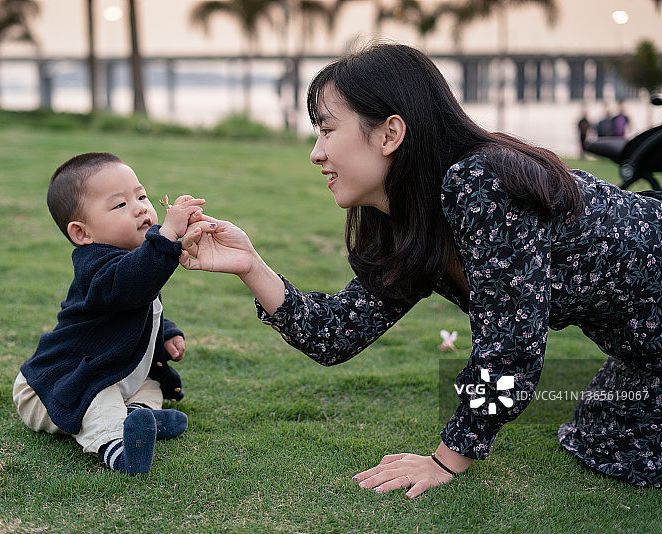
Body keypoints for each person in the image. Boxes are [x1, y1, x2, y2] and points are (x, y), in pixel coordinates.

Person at [179, 43, 662, 497]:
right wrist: (250, 266)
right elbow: (334, 333)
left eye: (327, 130)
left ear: (390, 133)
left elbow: (512, 350)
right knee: (597, 438)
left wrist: (447, 460)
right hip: (639, 347)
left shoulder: (480, 181)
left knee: (622, 452)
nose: (316, 153)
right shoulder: (410, 219)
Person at [13, 152, 208, 474]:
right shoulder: (96, 266)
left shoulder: (132, 259)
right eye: (120, 205)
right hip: (54, 388)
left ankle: (138, 417)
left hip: (109, 375)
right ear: (82, 233)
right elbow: (133, 285)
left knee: (150, 385)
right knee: (98, 401)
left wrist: (167, 333)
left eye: (142, 196)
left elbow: (142, 307)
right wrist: (167, 235)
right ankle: (119, 449)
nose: (141, 208)